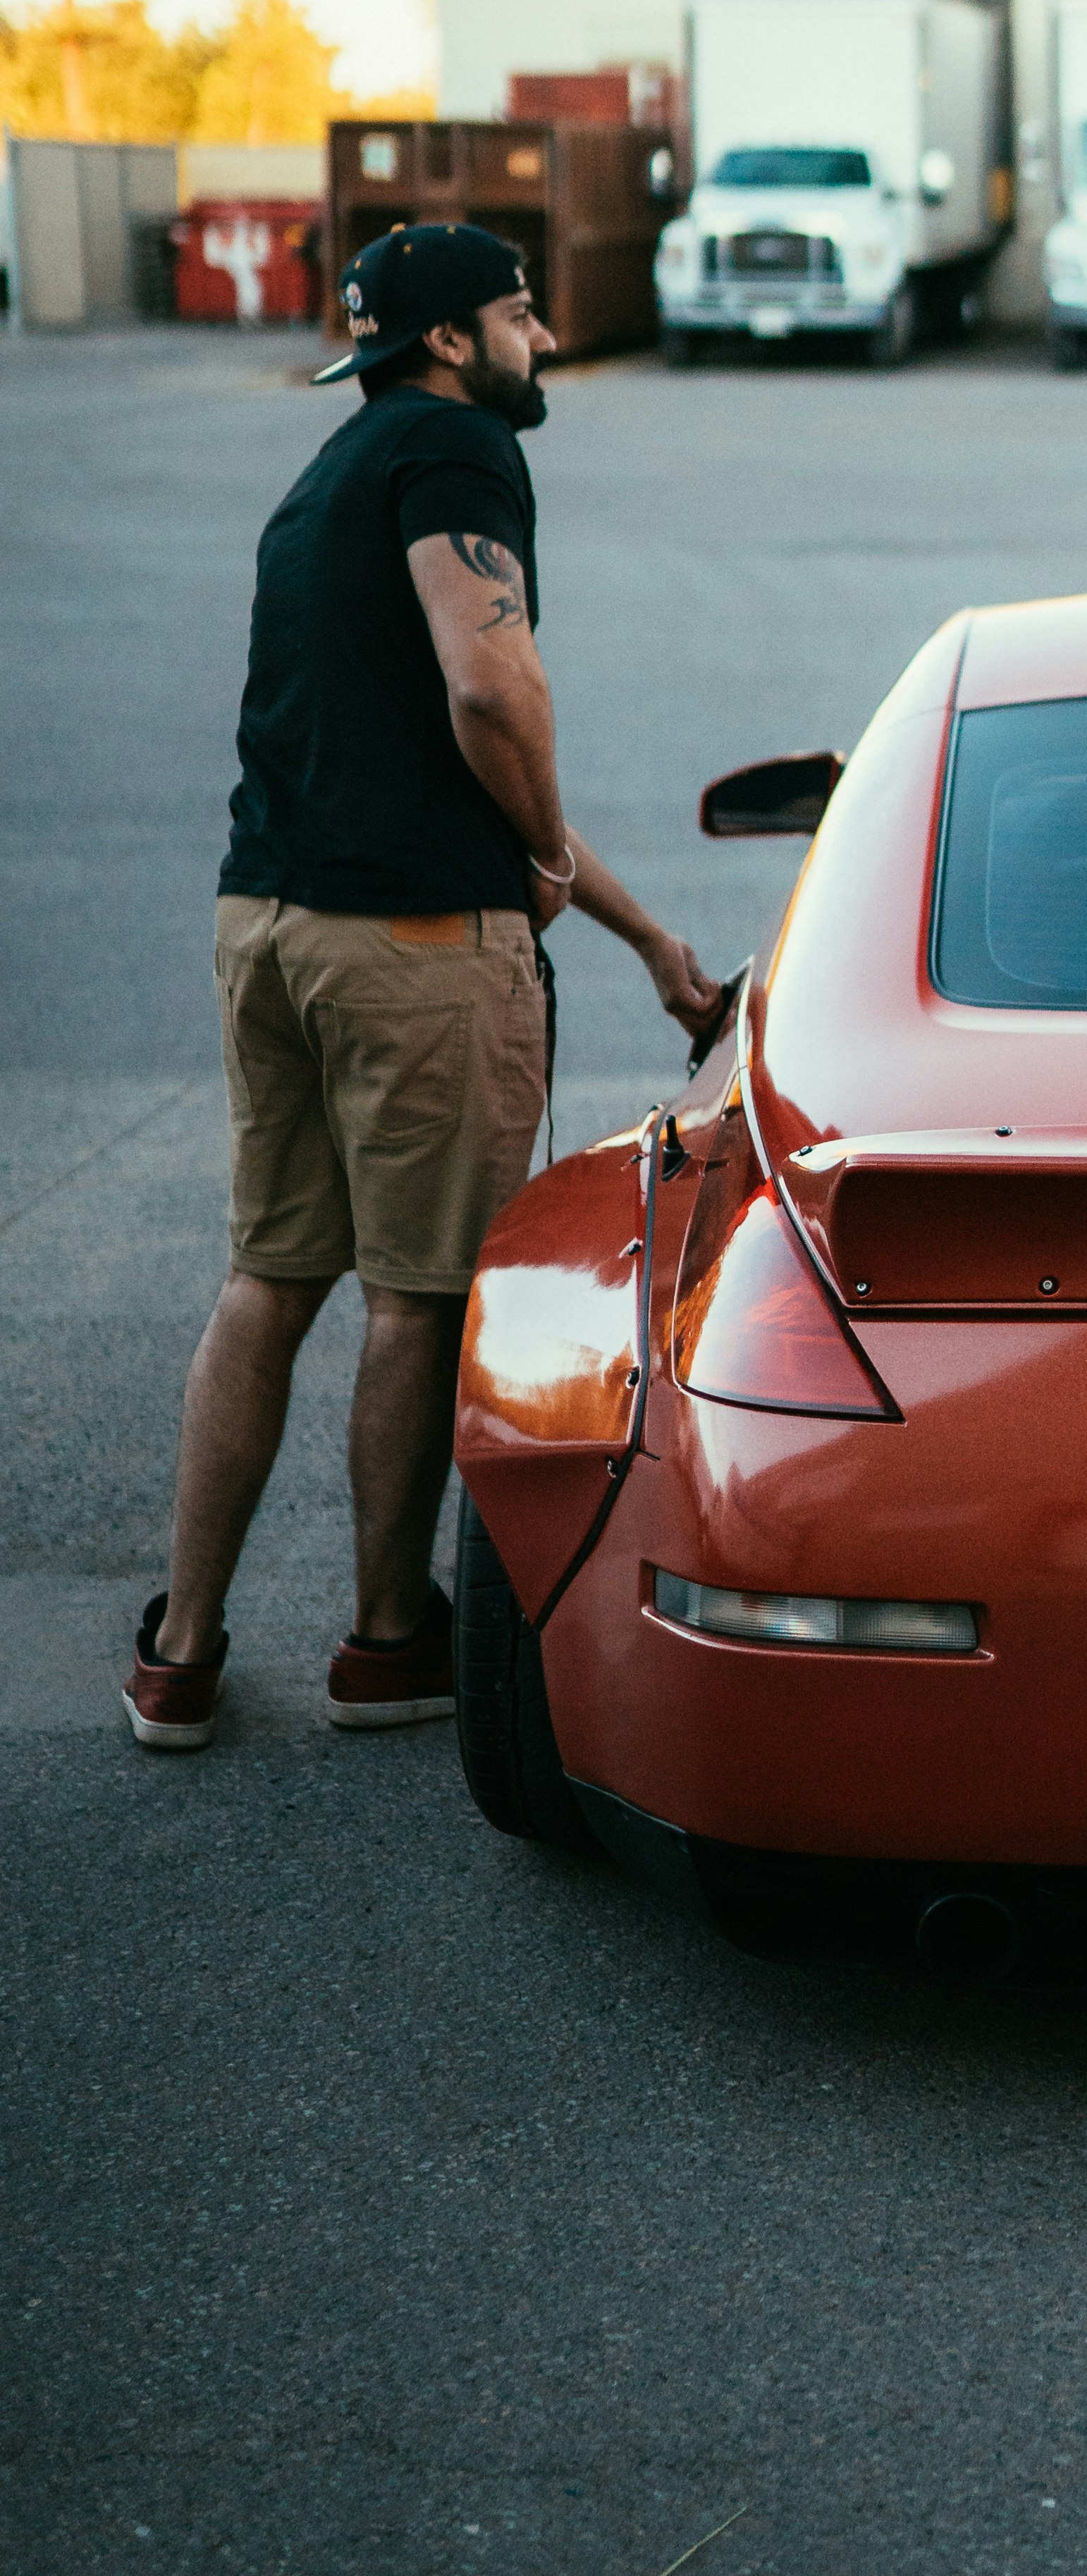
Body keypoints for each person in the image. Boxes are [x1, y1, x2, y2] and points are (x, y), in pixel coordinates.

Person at [123, 223, 721, 1751]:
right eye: (523, 315)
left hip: (268, 924)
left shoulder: (328, 474)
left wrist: (645, 941)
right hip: (409, 958)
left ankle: (179, 1655)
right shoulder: (457, 455)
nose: (544, 341)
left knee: (269, 1280)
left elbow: (436, 761)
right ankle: (391, 1640)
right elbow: (489, 690)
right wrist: (530, 850)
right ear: (452, 342)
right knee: (417, 1298)